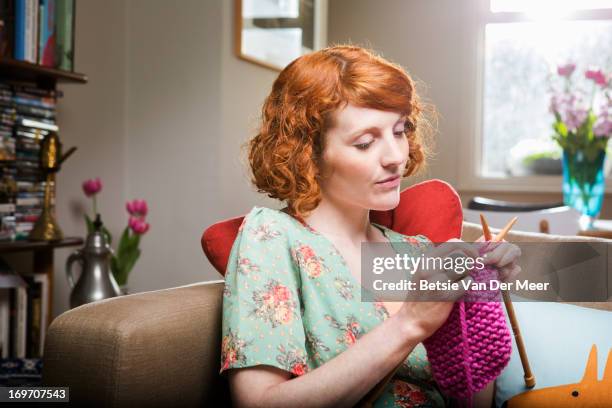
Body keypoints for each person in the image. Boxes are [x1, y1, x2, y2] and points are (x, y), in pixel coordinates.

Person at [219, 45, 522, 407]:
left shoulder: (419, 254)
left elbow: (471, 400)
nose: (396, 156)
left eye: (400, 131)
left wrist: (480, 299)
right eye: (365, 143)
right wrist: (408, 324)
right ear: (308, 153)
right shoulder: (271, 237)